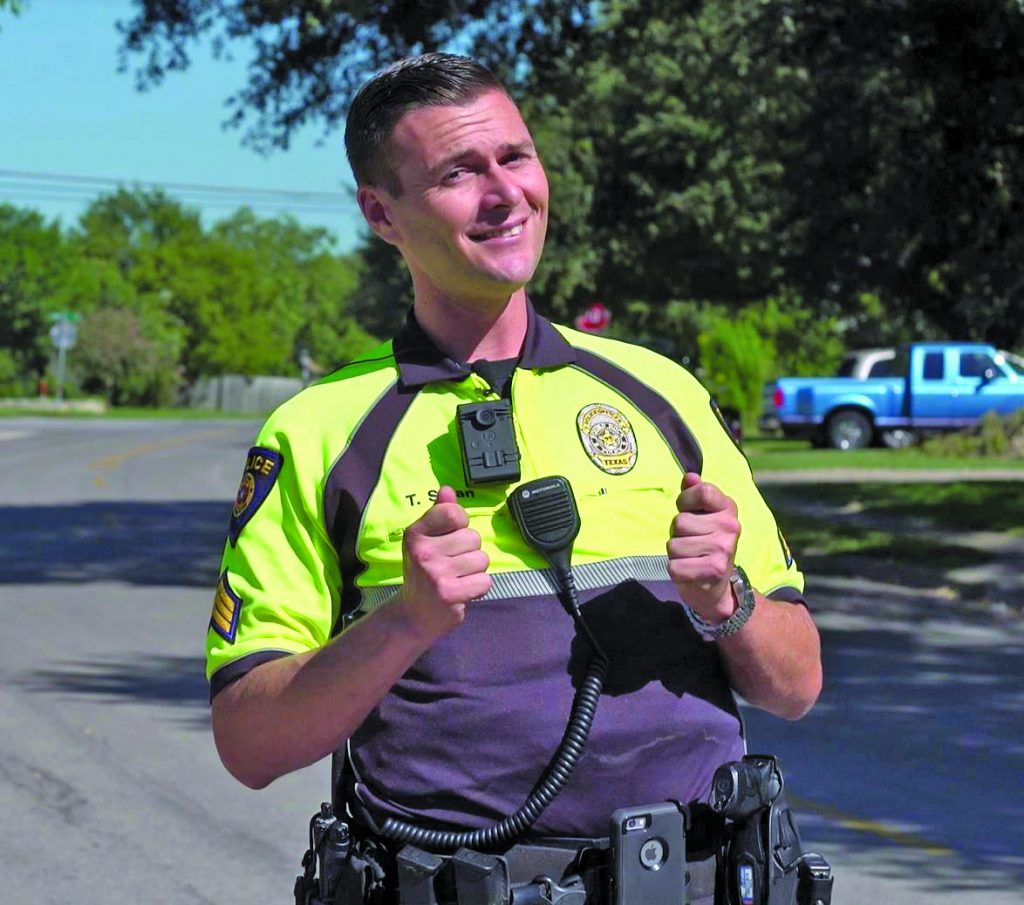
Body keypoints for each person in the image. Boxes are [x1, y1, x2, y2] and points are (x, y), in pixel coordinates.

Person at [206, 53, 822, 904]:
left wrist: (727, 600)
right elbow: (250, 743)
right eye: (459, 172)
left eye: (516, 157)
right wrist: (406, 621)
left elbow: (797, 684)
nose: (505, 193)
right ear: (381, 212)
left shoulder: (661, 392)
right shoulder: (318, 431)